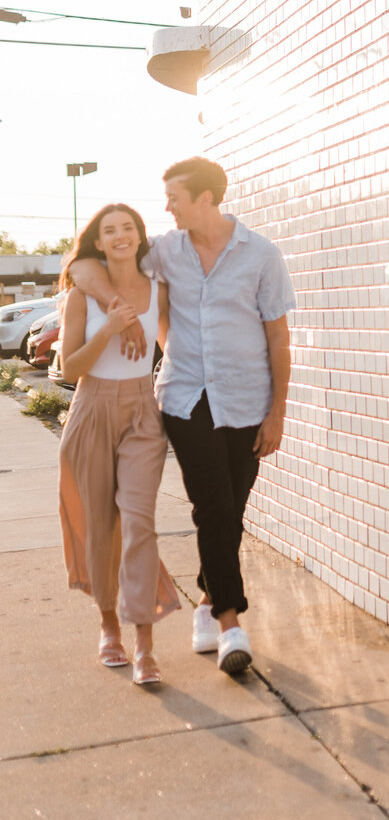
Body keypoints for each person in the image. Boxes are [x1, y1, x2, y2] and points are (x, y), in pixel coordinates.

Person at [71, 157, 295, 678]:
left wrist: (278, 410)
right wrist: (119, 310)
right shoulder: (166, 252)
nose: (165, 206)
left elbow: (279, 337)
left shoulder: (261, 255)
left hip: (247, 400)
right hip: (185, 399)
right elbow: (86, 264)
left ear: (206, 199)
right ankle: (230, 625)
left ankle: (204, 600)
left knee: (231, 511)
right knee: (212, 507)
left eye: (173, 196)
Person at [58, 203, 181, 686]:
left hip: (141, 412)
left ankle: (146, 645)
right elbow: (69, 368)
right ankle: (109, 628)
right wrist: (110, 326)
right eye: (110, 231)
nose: (120, 235)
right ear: (100, 241)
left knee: (139, 522)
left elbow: (175, 347)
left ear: (139, 235)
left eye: (128, 227)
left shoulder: (159, 292)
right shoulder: (81, 297)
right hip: (90, 409)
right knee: (100, 526)